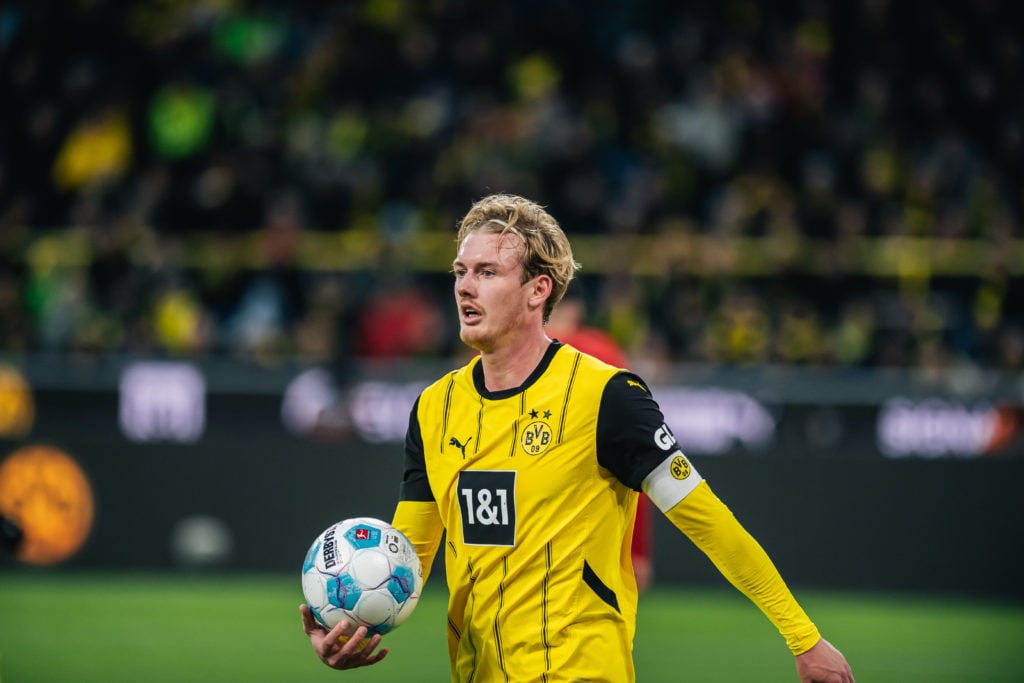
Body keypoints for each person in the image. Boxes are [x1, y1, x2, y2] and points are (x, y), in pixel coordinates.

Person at [301, 193, 855, 682]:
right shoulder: (434, 408)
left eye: (488, 273)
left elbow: (708, 520)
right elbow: (406, 560)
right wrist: (349, 626)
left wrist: (802, 637)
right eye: (459, 271)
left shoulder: (607, 397)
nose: (466, 287)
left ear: (538, 290)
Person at [546, 280, 655, 592]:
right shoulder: (603, 352)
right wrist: (638, 550)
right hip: (594, 529)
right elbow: (635, 459)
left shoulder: (510, 352)